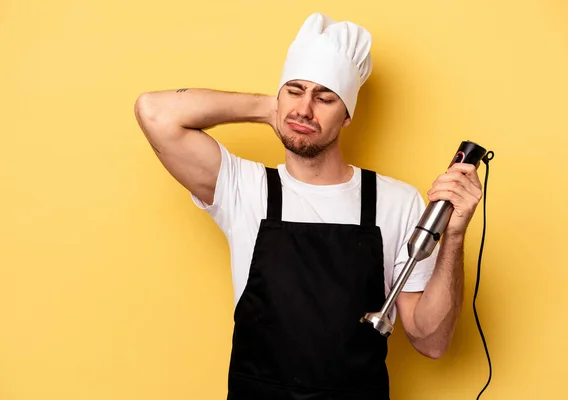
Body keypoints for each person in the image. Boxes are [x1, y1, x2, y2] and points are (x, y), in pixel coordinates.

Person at [134, 12, 483, 400]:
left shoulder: (396, 201)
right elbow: (154, 111)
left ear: (347, 113)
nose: (304, 109)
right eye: (295, 90)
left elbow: (430, 340)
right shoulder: (243, 187)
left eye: (325, 97)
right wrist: (270, 109)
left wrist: (453, 236)